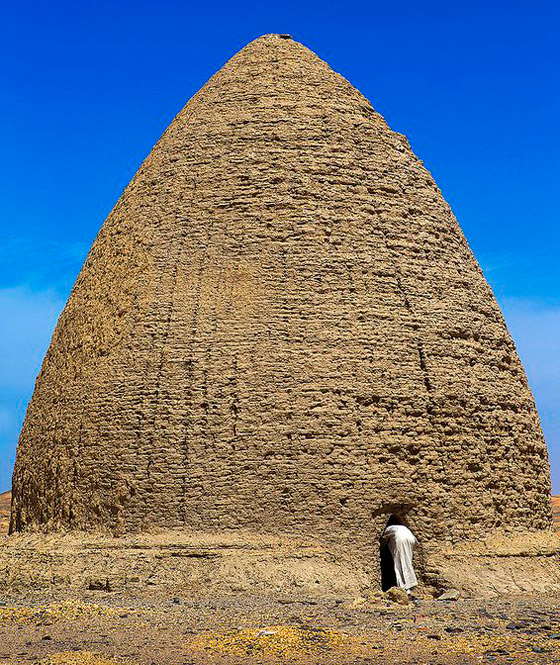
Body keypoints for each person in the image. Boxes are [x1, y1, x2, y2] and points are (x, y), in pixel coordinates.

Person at [382, 522, 418, 593]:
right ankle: (409, 586)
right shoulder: (402, 527)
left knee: (399, 564)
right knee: (407, 562)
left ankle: (403, 589)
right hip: (411, 539)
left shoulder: (387, 529)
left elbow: (384, 539)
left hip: (401, 539)